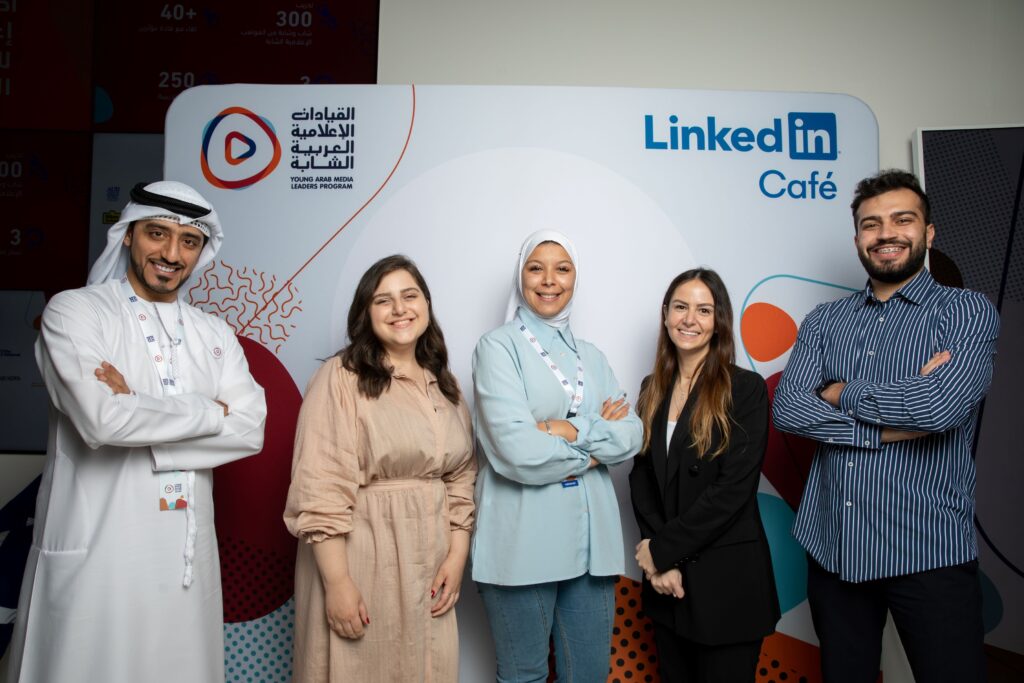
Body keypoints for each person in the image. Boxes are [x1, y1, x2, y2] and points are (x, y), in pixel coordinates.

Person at [6, 181, 267, 683]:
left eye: (188, 241)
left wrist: (137, 403)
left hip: (184, 561)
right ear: (127, 234)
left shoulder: (214, 333)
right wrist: (209, 411)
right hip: (100, 553)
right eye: (157, 234)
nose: (171, 254)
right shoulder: (76, 312)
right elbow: (101, 420)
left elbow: (251, 427)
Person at [772, 169, 999, 682]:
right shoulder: (825, 321)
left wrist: (840, 392)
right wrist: (885, 423)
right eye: (871, 224)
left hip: (927, 547)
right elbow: (788, 408)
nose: (886, 233)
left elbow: (938, 408)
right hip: (835, 545)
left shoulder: (964, 312)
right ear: (857, 238)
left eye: (902, 219)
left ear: (928, 232)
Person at [284, 254, 476, 683]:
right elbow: (319, 486)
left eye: (410, 296)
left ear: (426, 304)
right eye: (383, 300)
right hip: (363, 558)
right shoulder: (340, 377)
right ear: (365, 313)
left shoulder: (444, 384)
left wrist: (457, 554)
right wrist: (337, 582)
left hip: (431, 563)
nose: (399, 309)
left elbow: (462, 475)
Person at [471, 230, 643, 683]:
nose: (549, 280)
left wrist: (567, 429)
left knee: (588, 676)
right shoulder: (497, 347)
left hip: (592, 547)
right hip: (522, 543)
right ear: (521, 276)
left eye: (562, 269)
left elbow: (632, 435)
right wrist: (594, 448)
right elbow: (516, 450)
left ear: (575, 278)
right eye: (536, 268)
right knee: (523, 676)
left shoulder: (593, 357)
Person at [630, 268, 780, 681]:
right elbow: (642, 478)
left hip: (727, 586)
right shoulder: (651, 388)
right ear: (665, 314)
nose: (689, 319)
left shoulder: (745, 389)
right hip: (667, 585)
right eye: (680, 307)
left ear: (719, 321)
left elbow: (732, 491)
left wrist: (662, 551)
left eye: (703, 310)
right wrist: (658, 562)